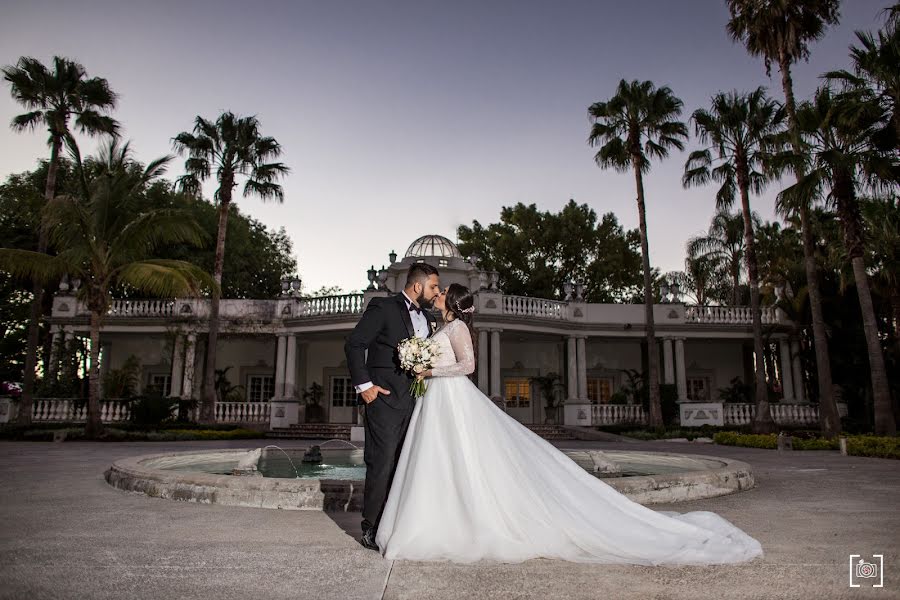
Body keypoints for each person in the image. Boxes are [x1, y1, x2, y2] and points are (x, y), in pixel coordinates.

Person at [374, 283, 765, 565]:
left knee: (465, 457)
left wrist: (430, 369)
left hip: (452, 397)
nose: (436, 295)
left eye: (442, 293)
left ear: (452, 305)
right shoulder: (441, 326)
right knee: (438, 460)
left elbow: (469, 366)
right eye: (436, 291)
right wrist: (421, 365)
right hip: (437, 401)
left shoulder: (457, 328)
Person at [344, 262, 441, 551]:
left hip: (419, 402)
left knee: (406, 463)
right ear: (417, 285)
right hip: (384, 400)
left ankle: (396, 522)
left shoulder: (428, 317)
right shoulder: (383, 308)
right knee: (382, 461)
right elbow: (354, 344)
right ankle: (370, 527)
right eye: (433, 286)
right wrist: (366, 387)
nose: (436, 292)